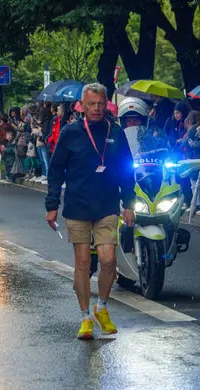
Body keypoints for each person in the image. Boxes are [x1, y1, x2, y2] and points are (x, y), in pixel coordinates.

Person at [46, 83, 136, 340]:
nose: (96, 109)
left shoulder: (115, 132)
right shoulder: (70, 133)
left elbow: (126, 170)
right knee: (83, 263)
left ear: (106, 104)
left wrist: (128, 204)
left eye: (100, 104)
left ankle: (102, 307)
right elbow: (55, 171)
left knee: (109, 260)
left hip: (107, 205)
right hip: (77, 207)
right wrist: (52, 205)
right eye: (91, 104)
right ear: (82, 106)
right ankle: (85, 316)